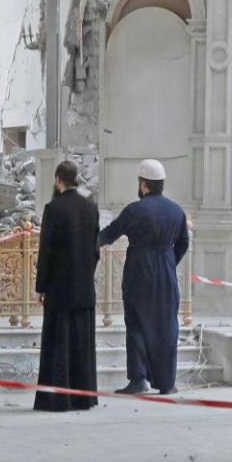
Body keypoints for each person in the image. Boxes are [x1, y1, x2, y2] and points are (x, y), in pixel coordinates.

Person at [96, 159, 188, 395]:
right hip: (167, 273)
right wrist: (168, 262)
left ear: (144, 185)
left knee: (136, 323)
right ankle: (167, 383)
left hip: (139, 271)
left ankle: (138, 379)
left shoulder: (135, 210)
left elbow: (108, 235)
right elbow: (184, 244)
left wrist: (83, 241)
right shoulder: (176, 211)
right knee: (167, 326)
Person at [34, 159, 101, 412]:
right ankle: (83, 398)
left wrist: (41, 287)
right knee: (81, 345)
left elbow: (46, 252)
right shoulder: (90, 208)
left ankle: (58, 399)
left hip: (59, 290)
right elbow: (95, 252)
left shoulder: (54, 209)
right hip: (84, 289)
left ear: (57, 179)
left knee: (59, 345)